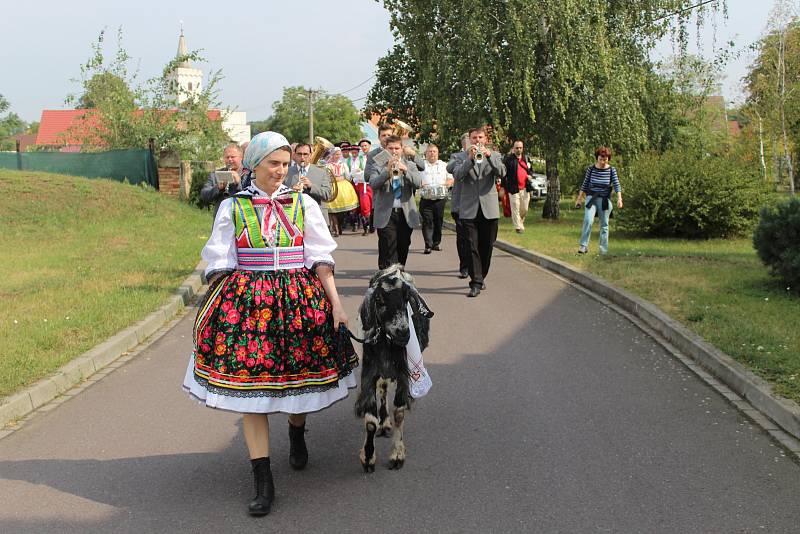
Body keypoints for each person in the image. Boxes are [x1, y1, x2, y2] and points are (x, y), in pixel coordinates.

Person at [183, 131, 357, 517]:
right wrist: (219, 304)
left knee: (296, 380)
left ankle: (296, 431)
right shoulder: (232, 207)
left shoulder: (303, 204)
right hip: (250, 302)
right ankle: (263, 481)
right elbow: (219, 260)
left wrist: (337, 305)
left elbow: (320, 258)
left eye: (284, 164)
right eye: (273, 164)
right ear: (254, 166)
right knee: (252, 391)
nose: (281, 171)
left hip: (297, 298)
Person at [451, 126, 505, 297]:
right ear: (470, 140)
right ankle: (475, 282)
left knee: (487, 246)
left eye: (480, 137)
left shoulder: (495, 155)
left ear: (486, 139)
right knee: (472, 246)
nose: (477, 140)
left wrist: (489, 158)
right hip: (469, 209)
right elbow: (458, 175)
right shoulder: (460, 157)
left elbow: (502, 172)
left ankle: (481, 276)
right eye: (474, 138)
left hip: (489, 209)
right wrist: (470, 159)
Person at [368, 134, 422, 269]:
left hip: (405, 213)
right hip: (386, 213)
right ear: (385, 149)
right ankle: (390, 277)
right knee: (388, 246)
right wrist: (387, 172)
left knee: (403, 245)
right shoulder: (377, 165)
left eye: (397, 148)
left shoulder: (409, 164)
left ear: (402, 149)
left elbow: (418, 183)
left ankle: (399, 272)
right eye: (390, 148)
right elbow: (373, 184)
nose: (394, 151)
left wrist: (405, 171)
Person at [575, 146, 623, 255]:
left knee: (604, 225)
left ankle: (603, 250)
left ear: (608, 159)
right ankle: (583, 246)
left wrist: (619, 198)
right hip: (591, 198)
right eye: (600, 159)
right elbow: (584, 184)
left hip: (604, 199)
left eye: (605, 159)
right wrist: (579, 199)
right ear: (597, 157)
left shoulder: (611, 170)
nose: (602, 161)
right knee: (588, 220)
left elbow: (617, 185)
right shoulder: (591, 169)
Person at [419, 143, 453, 254]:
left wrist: (446, 183)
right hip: (426, 198)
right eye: (430, 151)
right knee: (427, 221)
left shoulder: (444, 165)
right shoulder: (421, 166)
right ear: (426, 153)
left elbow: (451, 179)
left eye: (434, 151)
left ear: (438, 153)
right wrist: (420, 183)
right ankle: (428, 245)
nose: (432, 153)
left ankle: (436, 243)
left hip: (440, 198)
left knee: (438, 221)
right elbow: (415, 179)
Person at [447, 133, 471, 279]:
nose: (472, 143)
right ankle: (464, 266)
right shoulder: (456, 156)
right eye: (468, 141)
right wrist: (468, 156)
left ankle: (476, 267)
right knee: (463, 237)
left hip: (477, 204)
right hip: (460, 204)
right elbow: (450, 168)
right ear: (463, 144)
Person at [323, 147, 360, 236]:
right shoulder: (328, 165)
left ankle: (340, 225)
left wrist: (354, 176)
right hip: (333, 186)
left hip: (343, 185)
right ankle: (336, 228)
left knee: (343, 209)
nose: (338, 156)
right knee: (332, 209)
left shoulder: (343, 164)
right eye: (336, 154)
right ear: (332, 155)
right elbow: (326, 176)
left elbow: (347, 175)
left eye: (339, 154)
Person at [200, 143, 245, 216]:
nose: (230, 159)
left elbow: (253, 197)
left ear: (241, 157)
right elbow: (204, 195)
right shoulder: (215, 174)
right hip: (221, 220)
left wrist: (239, 183)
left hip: (242, 218)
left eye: (233, 157)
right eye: (227, 157)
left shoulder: (248, 174)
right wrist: (217, 188)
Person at [502, 140, 534, 234]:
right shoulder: (508, 160)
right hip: (513, 188)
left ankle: (520, 222)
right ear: (513, 148)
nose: (518, 149)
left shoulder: (526, 159)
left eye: (520, 148)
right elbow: (503, 174)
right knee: (515, 207)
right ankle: (518, 227)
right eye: (517, 148)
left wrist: (530, 176)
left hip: (525, 188)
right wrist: (503, 187)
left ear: (522, 148)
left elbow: (531, 170)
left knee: (524, 208)